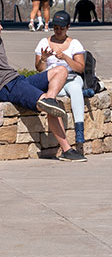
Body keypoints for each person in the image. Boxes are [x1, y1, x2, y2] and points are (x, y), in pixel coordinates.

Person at [0, 12, 75, 161]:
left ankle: (49, 99)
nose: (1, 27)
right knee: (49, 104)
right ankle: (67, 149)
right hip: (5, 87)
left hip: (17, 80)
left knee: (61, 70)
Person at [35, 11, 88, 161]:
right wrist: (43, 59)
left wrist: (65, 57)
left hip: (71, 78)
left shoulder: (74, 43)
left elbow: (80, 68)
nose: (58, 31)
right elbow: (39, 68)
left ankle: (79, 129)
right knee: (55, 94)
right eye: (56, 28)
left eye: (61, 28)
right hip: (53, 81)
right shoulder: (44, 42)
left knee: (76, 89)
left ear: (68, 28)